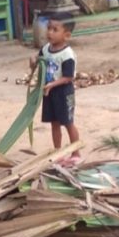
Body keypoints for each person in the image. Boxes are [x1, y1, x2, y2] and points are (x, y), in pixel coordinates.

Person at [31, 12, 81, 165]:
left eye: (55, 30)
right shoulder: (46, 49)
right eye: (48, 28)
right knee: (54, 123)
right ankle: (58, 152)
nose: (49, 33)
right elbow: (39, 62)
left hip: (63, 92)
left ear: (66, 35)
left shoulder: (67, 55)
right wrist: (33, 62)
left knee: (68, 122)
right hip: (49, 92)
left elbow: (69, 77)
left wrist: (52, 84)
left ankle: (76, 152)